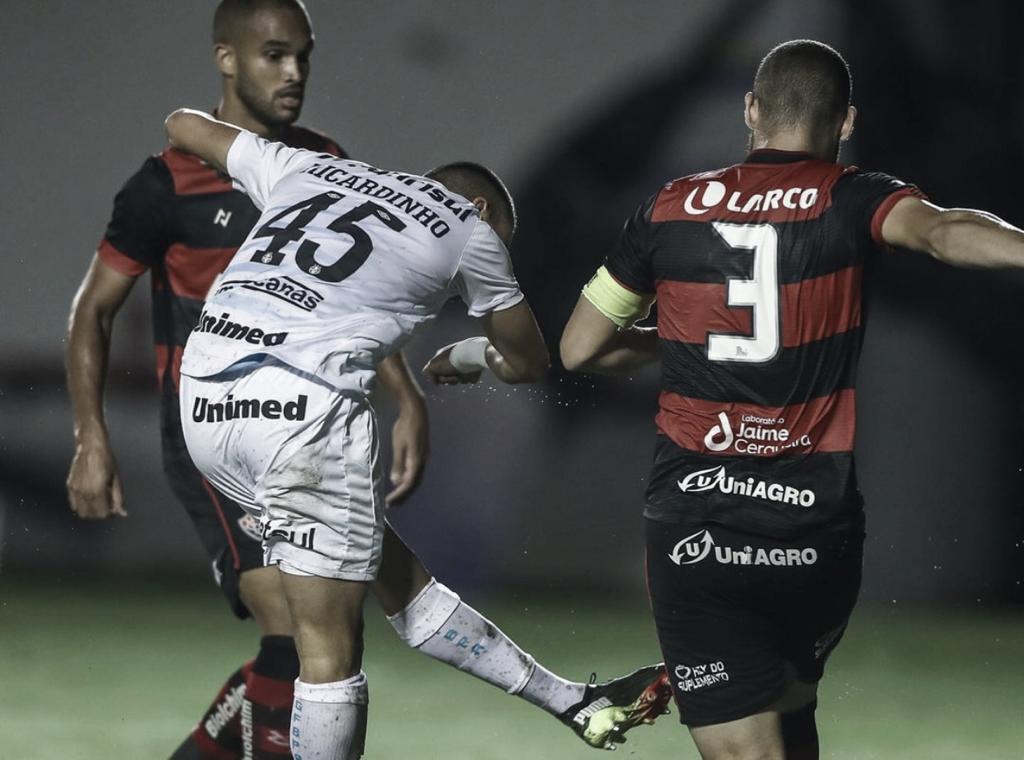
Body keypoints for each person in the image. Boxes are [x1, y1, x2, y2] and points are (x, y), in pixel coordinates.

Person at [65, 1, 666, 757]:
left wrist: (255, 163)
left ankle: (570, 702)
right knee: (325, 652)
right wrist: (467, 356)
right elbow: (532, 362)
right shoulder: (471, 226)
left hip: (207, 399)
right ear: (479, 208)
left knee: (388, 574)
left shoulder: (312, 166)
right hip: (301, 414)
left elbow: (183, 124)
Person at [559, 38, 1024, 760]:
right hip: (815, 529)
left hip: (699, 522)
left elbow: (580, 348)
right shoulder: (855, 195)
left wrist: (685, 337)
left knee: (751, 750)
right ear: (844, 122)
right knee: (790, 722)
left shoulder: (671, 206)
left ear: (751, 110)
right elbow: (942, 233)